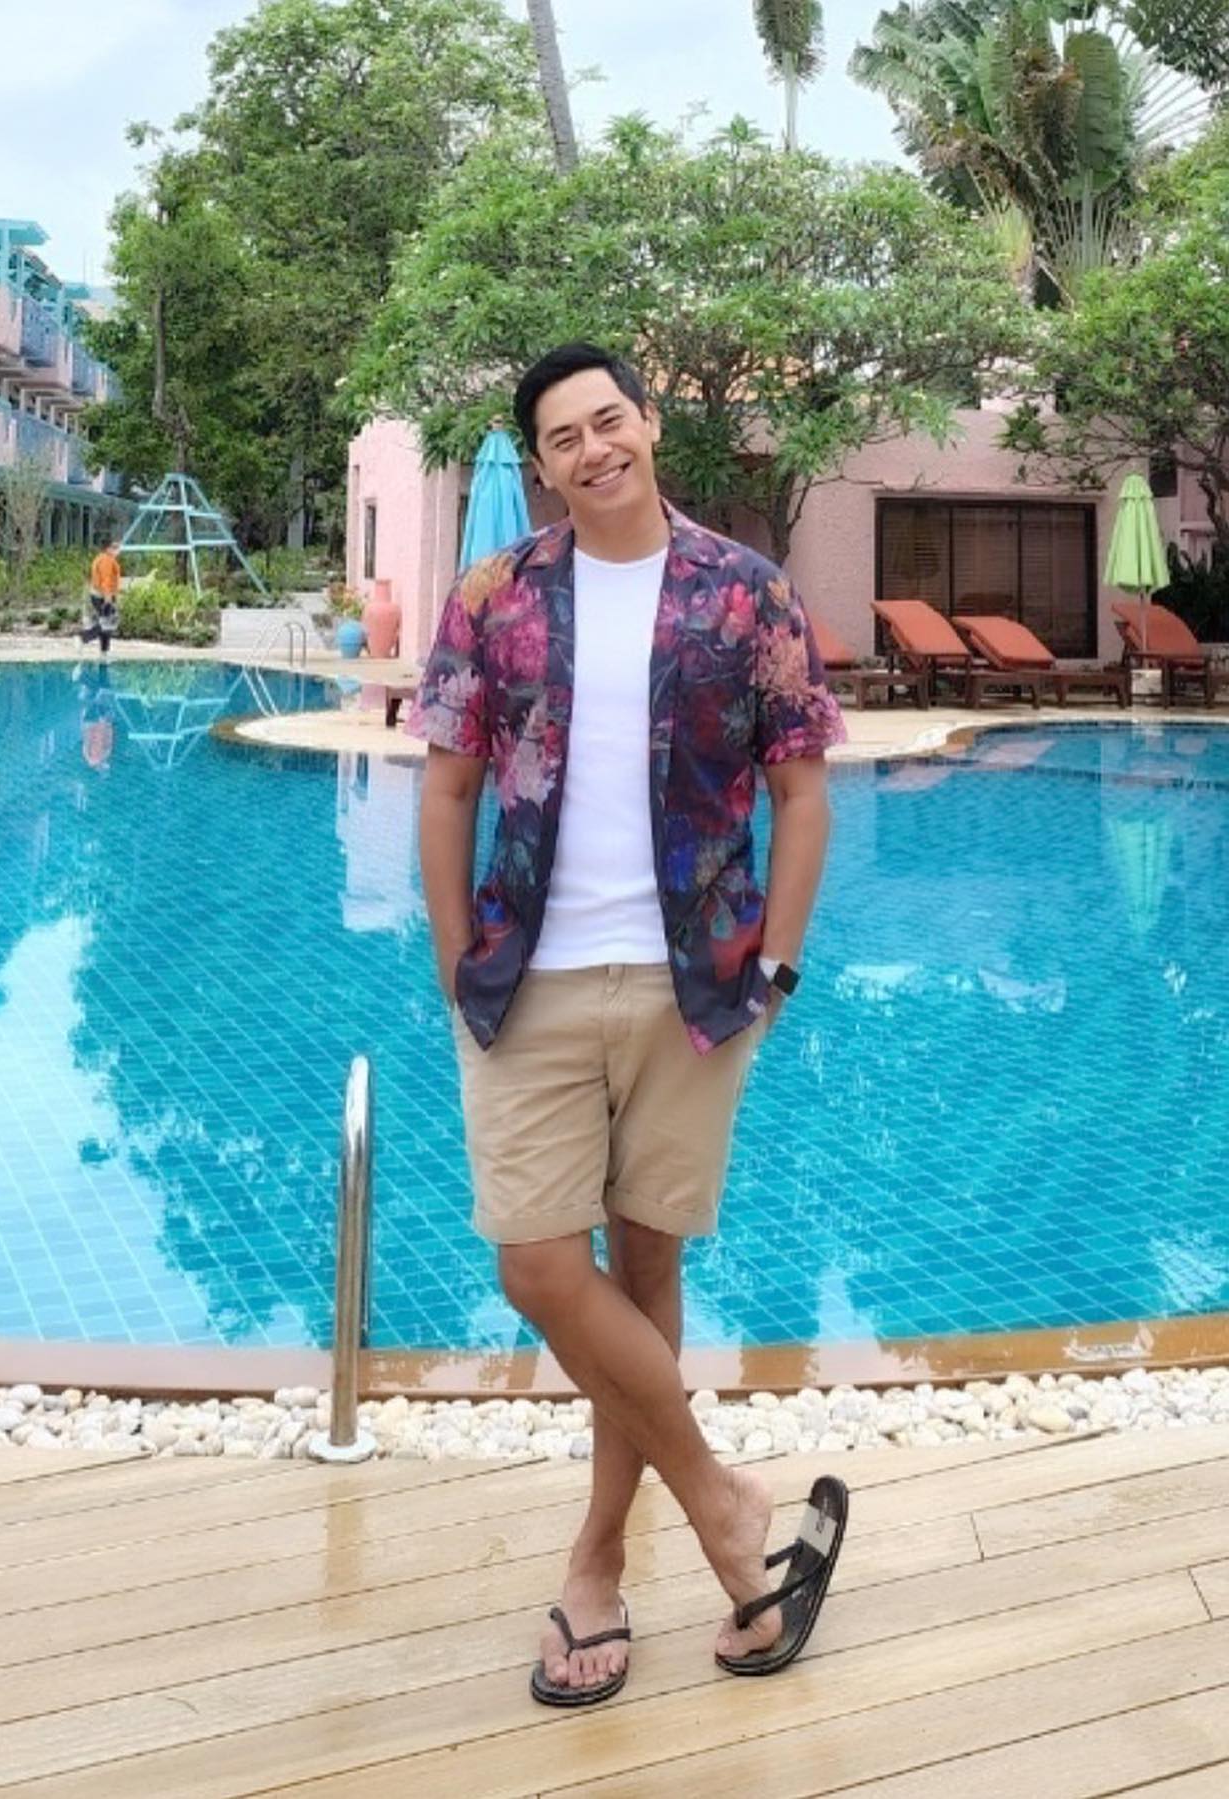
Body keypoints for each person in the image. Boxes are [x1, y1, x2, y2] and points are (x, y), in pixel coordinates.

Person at [408, 342, 848, 1706]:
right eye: (563, 437)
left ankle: (598, 1564)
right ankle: (724, 1503)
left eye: (609, 420)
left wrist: (777, 966)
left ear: (649, 425)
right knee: (540, 1263)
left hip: (692, 988)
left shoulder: (746, 591)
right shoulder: (494, 594)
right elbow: (445, 786)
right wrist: (453, 956)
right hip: (529, 978)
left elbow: (805, 793)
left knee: (646, 1268)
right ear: (542, 467)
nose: (593, 448)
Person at [81, 540, 122, 654]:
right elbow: (105, 579)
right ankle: (84, 637)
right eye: (115, 547)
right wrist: (108, 597)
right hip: (103, 596)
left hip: (100, 594)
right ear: (108, 549)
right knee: (107, 623)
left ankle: (104, 650)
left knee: (106, 623)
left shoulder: (101, 558)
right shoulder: (106, 560)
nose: (118, 549)